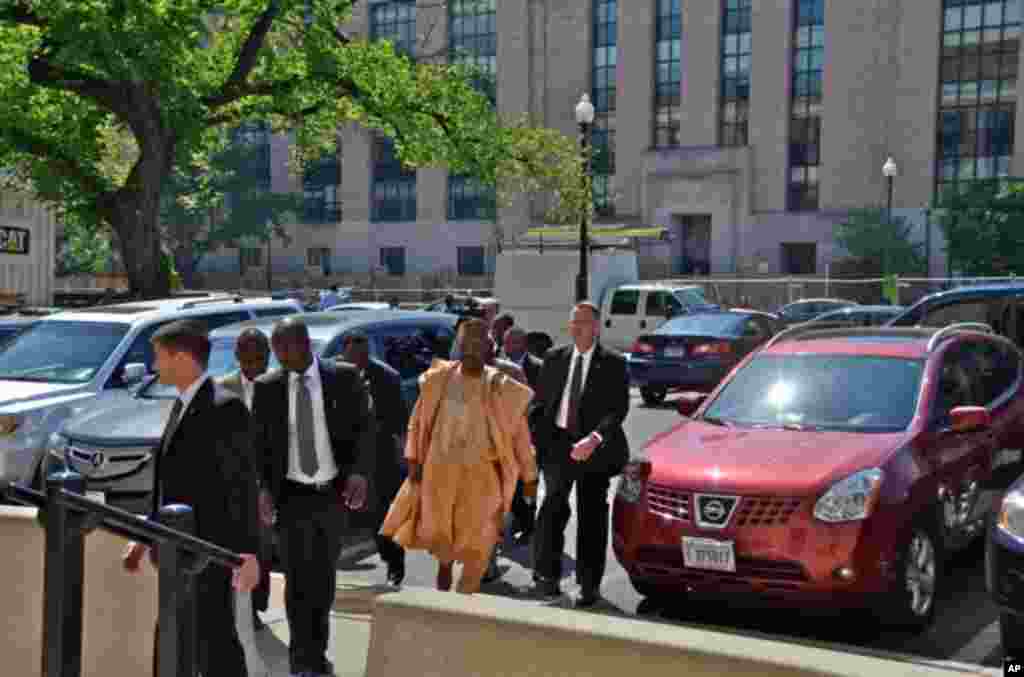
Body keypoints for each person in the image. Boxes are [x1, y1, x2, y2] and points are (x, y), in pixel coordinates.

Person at [122, 320, 261, 677]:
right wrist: (146, 536)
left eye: (159, 358)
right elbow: (173, 483)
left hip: (209, 553)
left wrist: (246, 555)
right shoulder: (181, 405)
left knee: (216, 645)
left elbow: (241, 489)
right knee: (174, 642)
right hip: (176, 552)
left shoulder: (224, 408)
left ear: (182, 357)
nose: (154, 367)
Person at [251, 318, 375, 677]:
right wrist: (263, 488)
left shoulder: (344, 378)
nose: (279, 357)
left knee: (322, 581)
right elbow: (259, 446)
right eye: (275, 350)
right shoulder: (268, 387)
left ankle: (316, 654)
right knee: (296, 580)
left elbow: (365, 429)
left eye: (284, 348)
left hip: (330, 495)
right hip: (291, 497)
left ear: (304, 345)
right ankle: (300, 660)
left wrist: (359, 473)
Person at [380, 319, 537, 594]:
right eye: (467, 343)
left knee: (479, 542)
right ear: (459, 346)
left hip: (483, 477)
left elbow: (520, 435)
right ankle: (444, 601)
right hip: (440, 473)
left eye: (479, 343)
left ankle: (466, 597)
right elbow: (417, 423)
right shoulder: (438, 380)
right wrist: (414, 460)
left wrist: (530, 476)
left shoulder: (501, 386)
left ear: (489, 347)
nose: (472, 349)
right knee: (444, 547)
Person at [528, 301, 630, 607]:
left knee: (592, 517)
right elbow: (540, 404)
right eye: (573, 322)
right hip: (558, 448)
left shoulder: (612, 362)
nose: (576, 327)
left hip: (595, 450)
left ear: (596, 327)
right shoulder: (554, 358)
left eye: (583, 322)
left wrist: (595, 438)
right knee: (551, 512)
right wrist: (540, 440)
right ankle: (547, 576)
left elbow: (617, 410)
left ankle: (588, 584)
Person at [217, 328, 274, 631]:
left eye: (260, 358)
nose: (254, 365)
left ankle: (256, 604)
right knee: (237, 549)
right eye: (248, 358)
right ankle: (243, 608)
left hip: (267, 484)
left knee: (262, 550)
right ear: (237, 357)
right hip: (232, 485)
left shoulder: (280, 387)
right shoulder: (222, 388)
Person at [342, 332, 409, 586]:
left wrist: (406, 461)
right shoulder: (334, 375)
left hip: (379, 459)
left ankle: (394, 561)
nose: (357, 361)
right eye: (352, 356)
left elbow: (400, 424)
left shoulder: (387, 378)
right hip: (343, 459)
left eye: (362, 356)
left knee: (382, 517)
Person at [502, 326, 544, 543]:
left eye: (510, 343)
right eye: (504, 342)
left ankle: (529, 527)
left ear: (522, 344)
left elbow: (542, 404)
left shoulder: (538, 367)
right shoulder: (498, 367)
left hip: (530, 437)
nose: (506, 347)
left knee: (528, 484)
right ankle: (521, 519)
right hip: (505, 437)